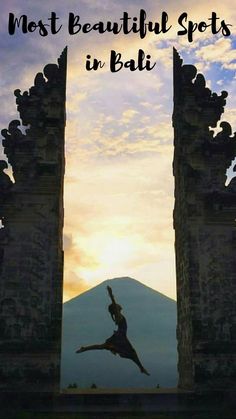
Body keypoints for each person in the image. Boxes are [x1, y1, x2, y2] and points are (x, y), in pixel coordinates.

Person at [76, 285, 150, 376]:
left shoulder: (118, 316)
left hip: (119, 336)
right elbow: (114, 303)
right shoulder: (118, 315)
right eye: (117, 306)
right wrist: (111, 294)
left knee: (103, 346)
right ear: (116, 309)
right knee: (132, 353)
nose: (119, 305)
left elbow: (115, 304)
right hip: (121, 337)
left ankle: (84, 348)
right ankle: (141, 368)